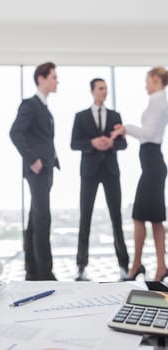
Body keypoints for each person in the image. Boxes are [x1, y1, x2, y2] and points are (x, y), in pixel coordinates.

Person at [111, 67, 168, 282]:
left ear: (155, 79)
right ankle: (160, 266)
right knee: (154, 219)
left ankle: (137, 265)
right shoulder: (159, 100)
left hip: (152, 164)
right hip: (153, 164)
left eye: (147, 80)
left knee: (139, 216)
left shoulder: (158, 99)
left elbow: (149, 133)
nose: (145, 85)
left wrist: (126, 128)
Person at [71, 78, 129, 281]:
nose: (105, 91)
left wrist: (110, 144)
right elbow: (74, 143)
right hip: (89, 172)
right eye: (101, 88)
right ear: (92, 91)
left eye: (106, 88)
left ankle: (124, 265)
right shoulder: (81, 116)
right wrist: (93, 142)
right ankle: (81, 266)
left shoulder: (115, 115)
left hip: (111, 171)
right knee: (85, 218)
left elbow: (123, 144)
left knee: (116, 219)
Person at [10, 62, 60, 281]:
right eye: (54, 77)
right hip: (37, 169)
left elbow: (44, 138)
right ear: (41, 78)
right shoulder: (30, 105)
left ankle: (32, 270)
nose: (56, 81)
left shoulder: (44, 107)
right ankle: (46, 272)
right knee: (42, 219)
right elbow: (15, 133)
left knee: (35, 219)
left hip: (47, 168)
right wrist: (33, 160)